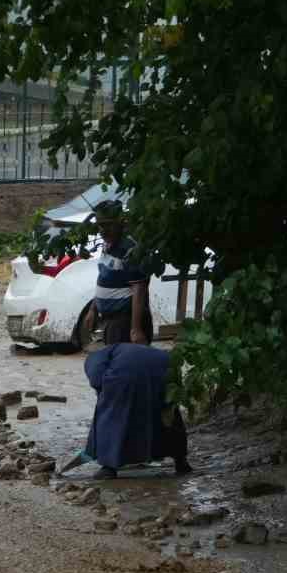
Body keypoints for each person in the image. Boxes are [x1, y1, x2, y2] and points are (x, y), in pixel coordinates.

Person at [59, 343, 191, 479]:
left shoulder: (93, 357)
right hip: (166, 366)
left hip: (127, 372)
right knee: (167, 414)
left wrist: (106, 402)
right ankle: (181, 461)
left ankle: (109, 467)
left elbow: (97, 380)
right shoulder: (125, 349)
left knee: (112, 417)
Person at [92, 200, 158, 346]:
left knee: (125, 366)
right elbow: (103, 279)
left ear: (121, 222)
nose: (103, 230)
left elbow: (139, 289)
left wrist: (135, 329)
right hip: (111, 322)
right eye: (100, 225)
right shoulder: (108, 245)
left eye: (108, 224)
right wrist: (93, 310)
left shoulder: (130, 249)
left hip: (125, 323)